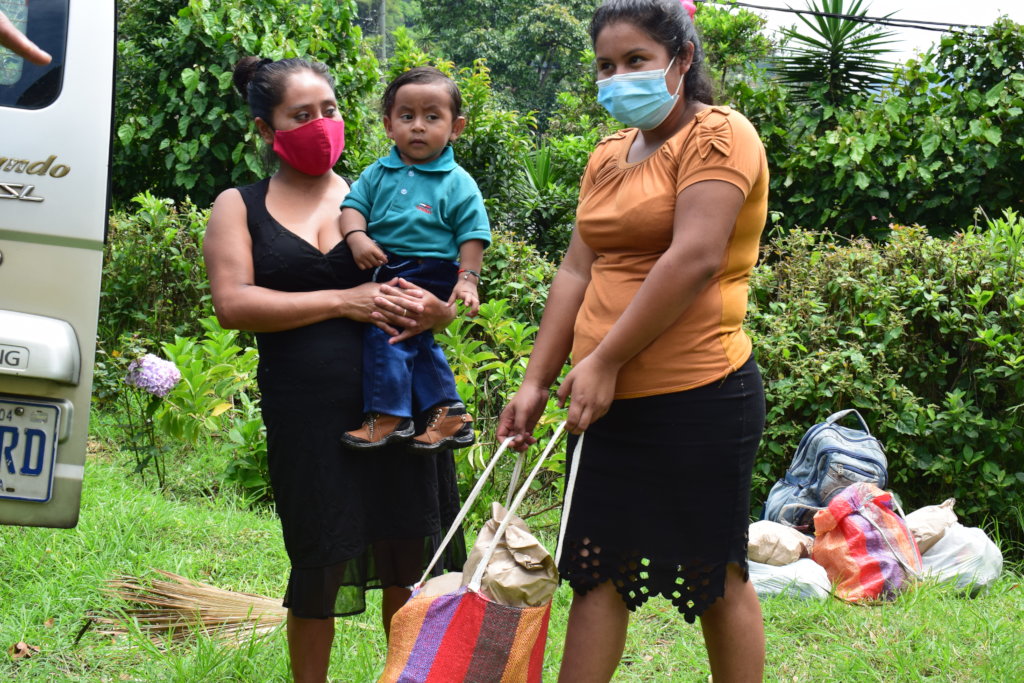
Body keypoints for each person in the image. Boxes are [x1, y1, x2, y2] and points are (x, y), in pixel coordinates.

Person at [497, 0, 769, 681]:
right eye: (606, 66)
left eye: (636, 61)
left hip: (699, 397)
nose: (618, 78)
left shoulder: (720, 135)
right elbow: (575, 271)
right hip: (605, 403)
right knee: (595, 568)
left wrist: (605, 359)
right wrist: (536, 379)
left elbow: (695, 257)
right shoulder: (609, 156)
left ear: (682, 59)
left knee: (716, 572)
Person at [203, 56, 466, 683]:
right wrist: (343, 301)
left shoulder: (381, 190)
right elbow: (233, 304)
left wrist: (440, 312)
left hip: (400, 412)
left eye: (330, 110)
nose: (322, 125)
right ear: (268, 131)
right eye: (302, 115)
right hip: (309, 416)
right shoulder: (239, 206)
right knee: (319, 557)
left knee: (409, 560)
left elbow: (438, 286)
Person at [339, 66, 489, 453]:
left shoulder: (457, 181)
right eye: (407, 116)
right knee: (413, 338)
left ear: (456, 127)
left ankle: (388, 415)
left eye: (432, 117)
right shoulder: (378, 171)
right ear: (389, 126)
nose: (418, 126)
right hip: (389, 265)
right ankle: (449, 414)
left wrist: (467, 279)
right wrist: (356, 237)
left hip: (429, 269)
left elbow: (472, 234)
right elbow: (352, 207)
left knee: (386, 332)